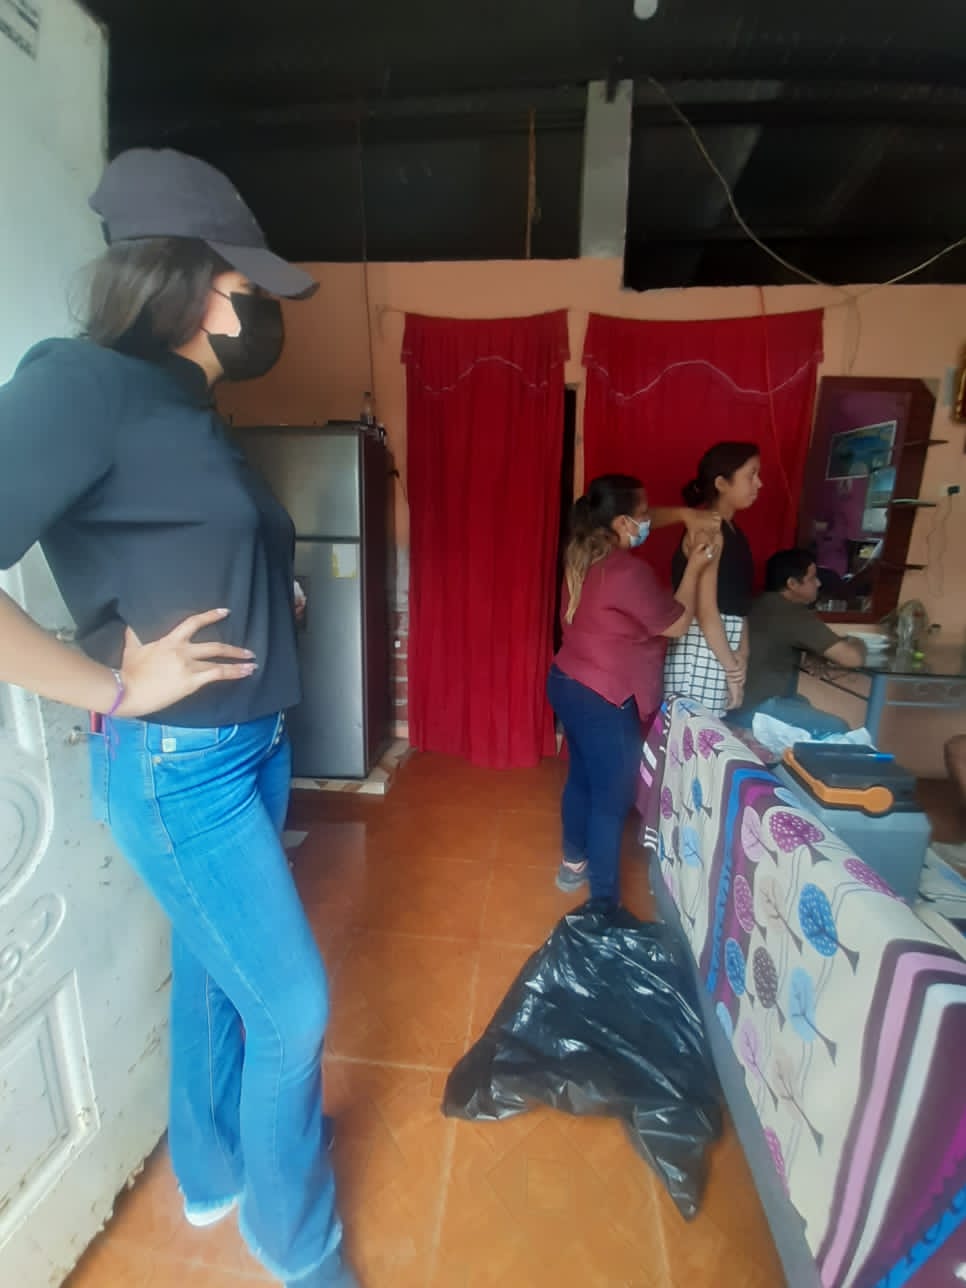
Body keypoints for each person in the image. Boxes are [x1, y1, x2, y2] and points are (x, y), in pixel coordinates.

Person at [0, 149, 357, 1288]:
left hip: (254, 741)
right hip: (177, 763)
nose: (258, 309)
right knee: (293, 1011)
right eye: (245, 284)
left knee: (214, 973)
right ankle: (298, 1246)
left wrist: (269, 586)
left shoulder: (187, 405)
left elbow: (172, 542)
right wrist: (110, 687)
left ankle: (214, 1170)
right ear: (187, 281)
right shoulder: (79, 384)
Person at [548, 474, 719, 901]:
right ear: (623, 523)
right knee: (611, 801)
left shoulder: (582, 556)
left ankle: (572, 865)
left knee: (582, 777)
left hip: (567, 683)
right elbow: (676, 623)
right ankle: (604, 909)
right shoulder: (628, 572)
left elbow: (647, 519)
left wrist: (684, 515)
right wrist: (695, 568)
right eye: (643, 515)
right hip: (603, 697)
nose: (648, 521)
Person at [665, 441, 762, 716]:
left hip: (724, 648)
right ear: (721, 483)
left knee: (711, 734)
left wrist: (742, 655)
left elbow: (740, 605)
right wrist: (732, 670)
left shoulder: (735, 532)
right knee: (695, 735)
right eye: (751, 475)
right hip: (701, 649)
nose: (759, 483)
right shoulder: (708, 531)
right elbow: (706, 611)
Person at [731, 548, 865, 736]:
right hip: (756, 708)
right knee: (838, 728)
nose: (818, 583)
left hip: (736, 702)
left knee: (803, 703)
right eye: (812, 578)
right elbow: (852, 658)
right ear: (792, 584)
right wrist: (857, 641)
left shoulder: (760, 602)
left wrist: (814, 651)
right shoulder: (791, 613)